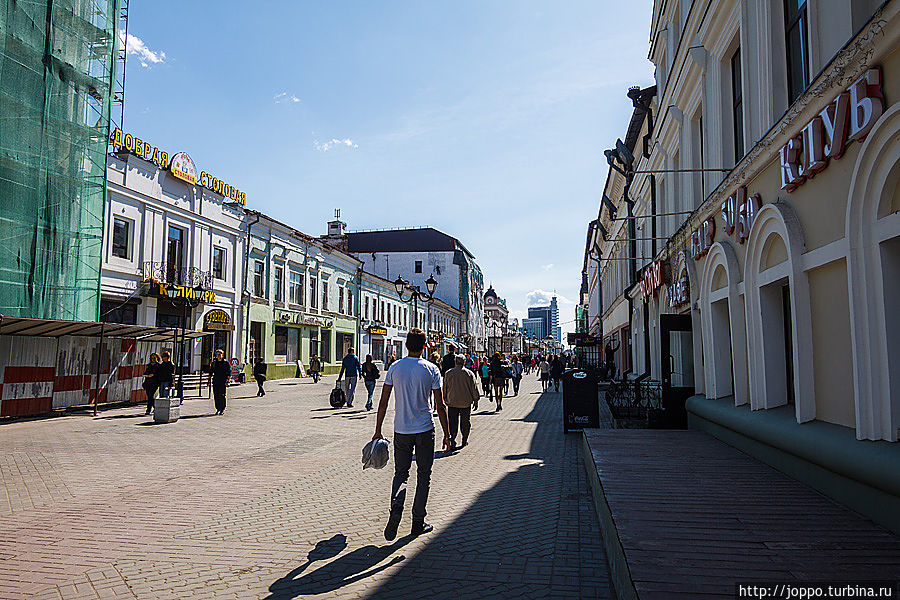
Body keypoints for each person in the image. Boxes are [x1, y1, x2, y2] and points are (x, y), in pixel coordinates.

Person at [372, 328, 451, 540]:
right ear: (424, 346)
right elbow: (440, 405)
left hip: (401, 430)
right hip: (425, 429)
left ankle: (396, 507)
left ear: (406, 345)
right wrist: (448, 434)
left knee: (401, 473)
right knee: (424, 475)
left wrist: (378, 430)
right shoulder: (431, 369)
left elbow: (383, 402)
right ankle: (418, 522)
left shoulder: (395, 368)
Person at [443, 354, 480, 450]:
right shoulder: (469, 373)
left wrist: (444, 399)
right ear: (464, 362)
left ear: (455, 362)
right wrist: (476, 400)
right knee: (465, 422)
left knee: (452, 422)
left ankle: (453, 439)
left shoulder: (448, 373)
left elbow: (445, 388)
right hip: (465, 402)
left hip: (452, 402)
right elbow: (474, 388)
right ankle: (464, 439)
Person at [208, 349, 231, 415]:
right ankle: (218, 408)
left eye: (219, 354)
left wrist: (228, 381)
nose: (218, 356)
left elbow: (229, 372)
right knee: (216, 395)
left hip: (223, 381)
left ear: (222, 355)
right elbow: (211, 371)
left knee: (222, 395)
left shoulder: (225, 363)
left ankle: (222, 409)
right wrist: (209, 379)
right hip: (215, 380)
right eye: (217, 354)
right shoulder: (214, 363)